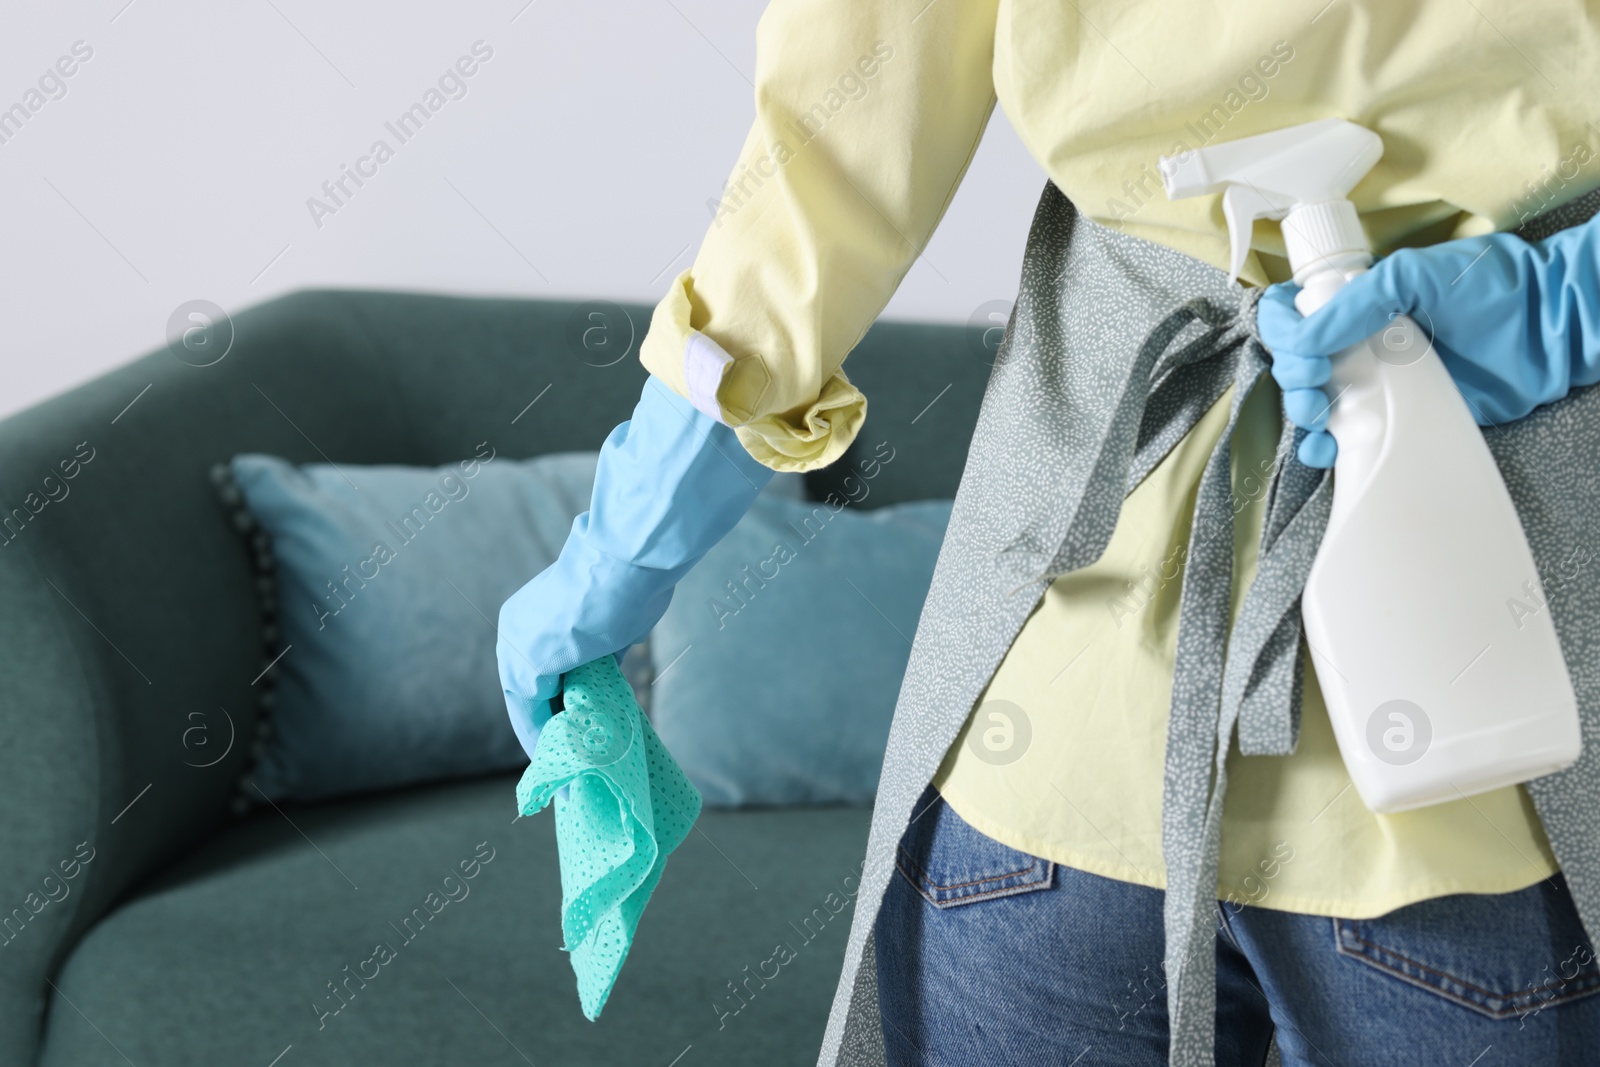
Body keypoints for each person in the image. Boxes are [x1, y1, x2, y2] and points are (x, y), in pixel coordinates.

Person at [498, 2, 1600, 1063]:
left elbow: (818, 174)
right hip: (1484, 770)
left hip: (1060, 743)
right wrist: (1567, 300)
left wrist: (619, 550)